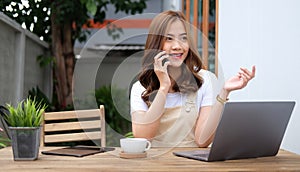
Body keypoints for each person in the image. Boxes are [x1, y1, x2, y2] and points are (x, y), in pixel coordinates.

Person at [130, 10, 256, 147]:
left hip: (192, 165)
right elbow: (143, 136)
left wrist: (224, 92)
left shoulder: (204, 80)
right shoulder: (140, 88)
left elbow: (202, 141)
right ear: (156, 44)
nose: (178, 46)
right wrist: (163, 87)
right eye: (169, 39)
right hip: (154, 166)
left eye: (184, 38)